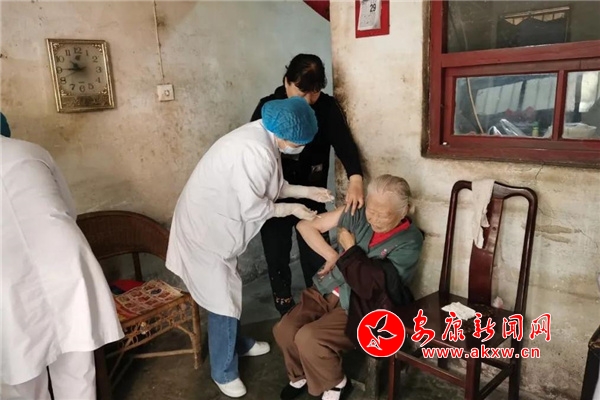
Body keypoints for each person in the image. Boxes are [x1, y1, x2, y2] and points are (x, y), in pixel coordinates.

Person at [166, 96, 334, 398]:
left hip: (218, 227)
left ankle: (237, 343)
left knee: (229, 295)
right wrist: (293, 209)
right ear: (286, 136)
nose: (300, 147)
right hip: (205, 232)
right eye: (299, 143)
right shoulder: (254, 151)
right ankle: (223, 371)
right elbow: (253, 207)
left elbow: (272, 185)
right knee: (222, 300)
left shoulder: (265, 138)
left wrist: (307, 192)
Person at [272, 174, 424, 400]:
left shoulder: (410, 241)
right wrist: (333, 256)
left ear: (405, 210)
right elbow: (305, 226)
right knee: (284, 329)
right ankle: (300, 375)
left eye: (383, 214)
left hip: (360, 304)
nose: (374, 219)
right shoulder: (358, 213)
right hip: (328, 288)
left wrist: (350, 249)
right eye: (371, 210)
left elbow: (374, 284)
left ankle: (336, 384)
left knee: (309, 338)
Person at [1, 127, 124, 399]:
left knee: (21, 378)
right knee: (77, 365)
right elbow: (69, 209)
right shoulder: (32, 151)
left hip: (8, 278)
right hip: (64, 262)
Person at [251, 54, 364, 316]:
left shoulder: (326, 107)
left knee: (316, 251)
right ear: (286, 82)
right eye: (301, 92)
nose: (308, 100)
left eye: (314, 93)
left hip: (312, 191)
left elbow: (345, 145)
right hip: (275, 194)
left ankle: (318, 301)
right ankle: (284, 306)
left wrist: (356, 178)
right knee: (277, 252)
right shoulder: (269, 107)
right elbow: (255, 148)